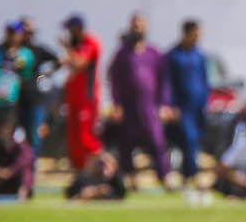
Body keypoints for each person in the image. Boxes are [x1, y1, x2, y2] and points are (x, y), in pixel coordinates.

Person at [107, 13, 173, 188]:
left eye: (141, 25)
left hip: (150, 107)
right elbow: (114, 80)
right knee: (126, 143)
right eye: (135, 25)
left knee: (157, 141)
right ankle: (130, 178)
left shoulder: (154, 53)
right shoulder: (122, 54)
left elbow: (163, 81)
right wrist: (117, 104)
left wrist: (164, 105)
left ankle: (165, 176)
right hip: (129, 107)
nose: (138, 28)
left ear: (146, 27)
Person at [165, 19, 211, 186]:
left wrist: (206, 101)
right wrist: (171, 105)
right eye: (195, 33)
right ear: (186, 33)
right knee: (188, 138)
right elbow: (167, 83)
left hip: (198, 106)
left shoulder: (199, 55)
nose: (198, 36)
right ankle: (192, 174)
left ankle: (187, 174)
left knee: (195, 139)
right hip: (182, 106)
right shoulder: (174, 55)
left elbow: (205, 80)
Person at [59, 14, 103, 172]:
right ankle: (79, 170)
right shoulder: (76, 45)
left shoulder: (90, 43)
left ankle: (104, 163)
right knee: (73, 137)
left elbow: (80, 63)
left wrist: (67, 48)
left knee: (85, 137)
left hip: (86, 98)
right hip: (73, 98)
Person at [16, 16, 52, 158]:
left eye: (31, 32)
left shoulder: (38, 50)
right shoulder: (13, 50)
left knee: (34, 136)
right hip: (14, 100)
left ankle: (31, 164)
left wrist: (45, 75)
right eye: (25, 32)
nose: (28, 35)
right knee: (14, 135)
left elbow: (59, 60)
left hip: (34, 99)